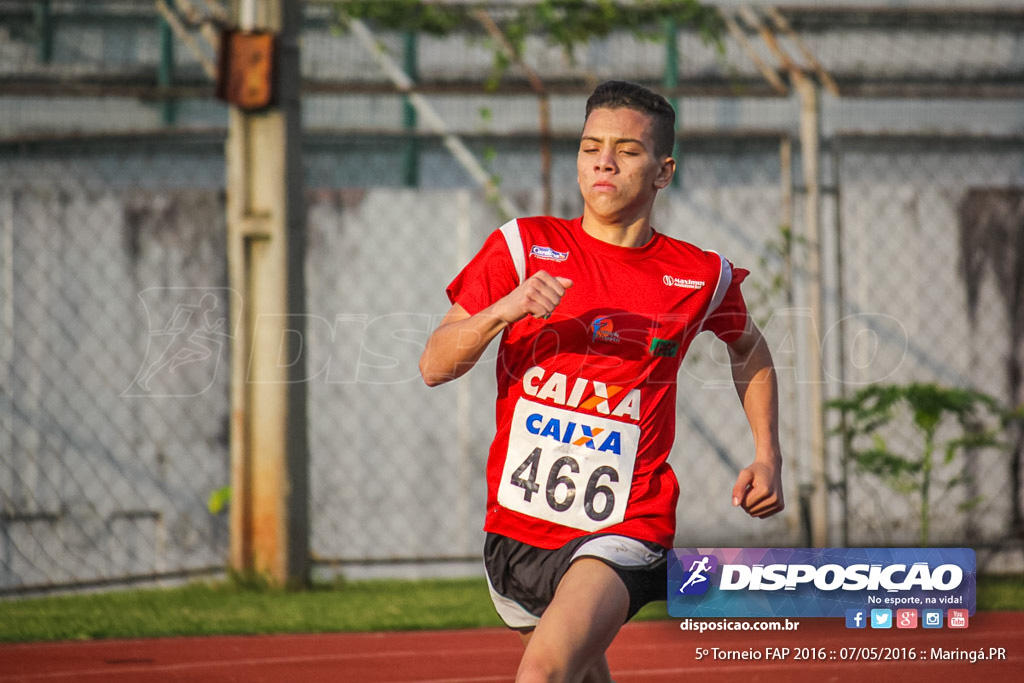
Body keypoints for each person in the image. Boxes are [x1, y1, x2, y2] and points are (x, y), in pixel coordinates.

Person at [419, 80, 784, 683]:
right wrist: (505, 309)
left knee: (543, 672)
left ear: (663, 170)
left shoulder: (701, 277)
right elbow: (435, 365)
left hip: (626, 525)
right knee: (582, 673)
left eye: (627, 150)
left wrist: (767, 455)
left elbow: (750, 347)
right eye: (591, 147)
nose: (604, 162)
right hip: (516, 528)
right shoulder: (522, 246)